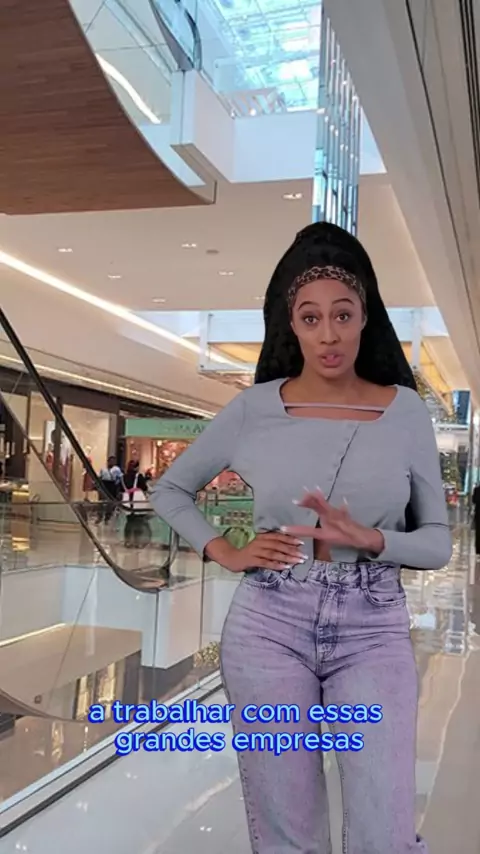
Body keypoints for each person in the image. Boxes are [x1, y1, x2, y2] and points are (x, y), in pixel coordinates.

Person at [150, 222, 452, 854]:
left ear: (365, 318)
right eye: (311, 318)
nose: (328, 334)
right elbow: (171, 490)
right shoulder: (253, 408)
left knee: (385, 833)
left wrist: (372, 538)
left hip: (373, 628)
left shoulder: (404, 411)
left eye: (342, 315)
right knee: (288, 835)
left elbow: (436, 543)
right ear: (292, 325)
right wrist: (226, 551)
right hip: (268, 624)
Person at [122, 461, 151, 548]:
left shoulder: (123, 477)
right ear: (137, 467)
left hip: (127, 500)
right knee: (138, 522)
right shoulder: (139, 476)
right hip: (137, 500)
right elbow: (144, 487)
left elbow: (120, 488)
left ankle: (127, 541)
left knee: (129, 521)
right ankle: (137, 542)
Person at [96, 456, 123, 523]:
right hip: (104, 484)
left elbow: (120, 478)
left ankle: (107, 517)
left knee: (110, 502)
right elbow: (100, 478)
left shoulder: (117, 469)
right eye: (111, 461)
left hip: (112, 485)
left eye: (113, 461)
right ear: (108, 461)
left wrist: (117, 486)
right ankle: (100, 516)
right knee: (101, 502)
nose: (112, 462)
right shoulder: (103, 469)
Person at [472, 482, 480, 556]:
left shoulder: (476, 489)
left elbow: (473, 500)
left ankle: (478, 549)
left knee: (478, 532)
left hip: (478, 514)